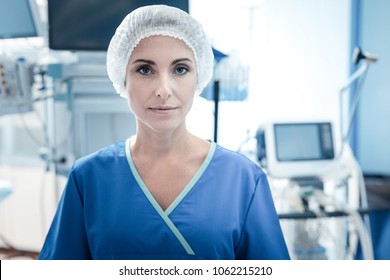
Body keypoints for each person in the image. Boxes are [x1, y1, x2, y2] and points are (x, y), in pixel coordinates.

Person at [38, 4, 290, 260]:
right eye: (145, 70)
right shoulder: (88, 178)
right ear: (122, 77)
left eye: (180, 69)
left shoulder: (243, 180)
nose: (163, 90)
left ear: (199, 76)